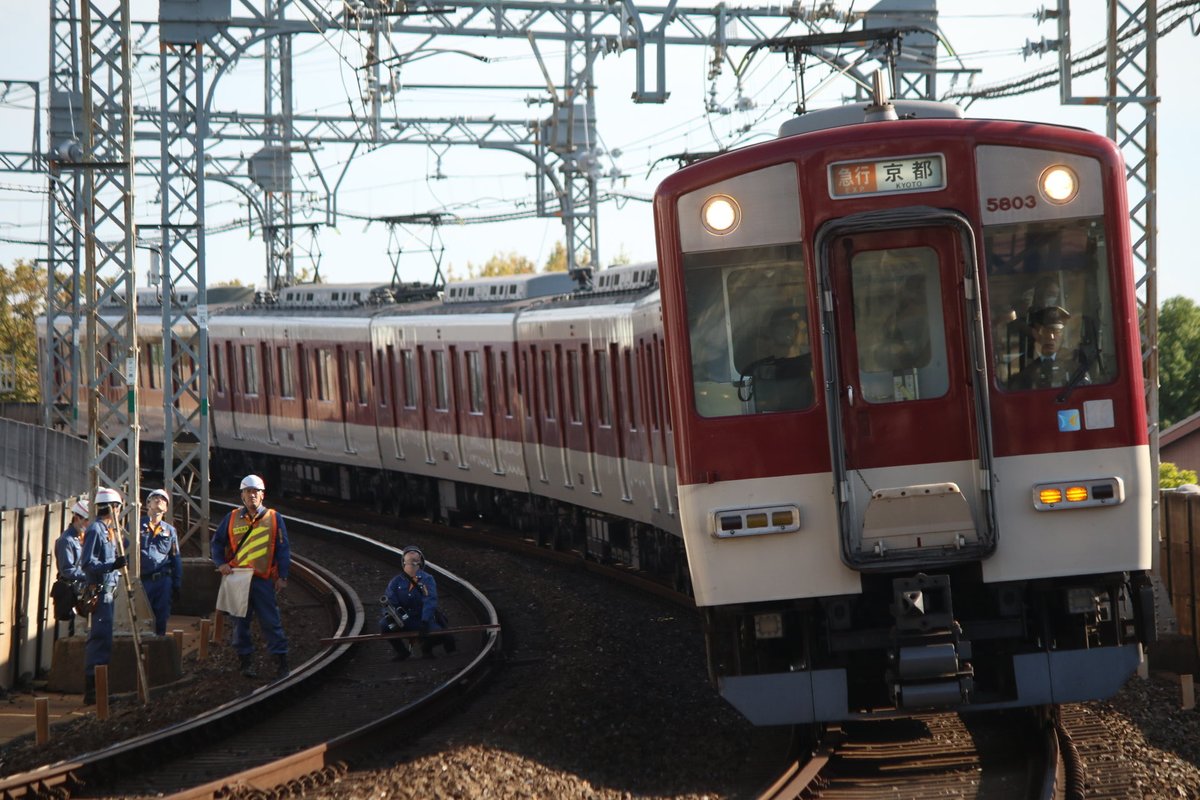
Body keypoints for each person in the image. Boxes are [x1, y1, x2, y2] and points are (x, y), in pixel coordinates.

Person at [211, 474, 290, 680]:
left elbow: (283, 549)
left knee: (271, 621)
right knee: (240, 624)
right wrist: (221, 563)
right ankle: (246, 662)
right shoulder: (231, 518)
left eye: (256, 492)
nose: (252, 495)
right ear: (242, 496)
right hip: (238, 579)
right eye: (248, 492)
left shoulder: (274, 518)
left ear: (262, 495)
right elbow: (217, 543)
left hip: (262, 580)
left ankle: (281, 661)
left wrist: (282, 576)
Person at [80, 487, 128, 705]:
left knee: (105, 640)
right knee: (99, 640)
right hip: (100, 593)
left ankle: (100, 689)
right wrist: (112, 565)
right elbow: (88, 563)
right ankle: (93, 691)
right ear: (114, 508)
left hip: (108, 592)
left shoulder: (108, 531)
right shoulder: (95, 530)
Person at [379, 545, 455, 660]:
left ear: (420, 562)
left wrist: (425, 620)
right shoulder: (395, 582)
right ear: (404, 562)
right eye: (409, 561)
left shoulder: (427, 579)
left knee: (438, 634)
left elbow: (430, 600)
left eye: (415, 561)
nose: (412, 564)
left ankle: (426, 649)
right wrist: (391, 616)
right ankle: (402, 652)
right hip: (403, 619)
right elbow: (389, 601)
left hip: (421, 619)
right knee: (384, 625)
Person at [1008, 306, 1090, 391]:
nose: (1051, 337)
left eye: (1057, 331)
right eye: (1046, 331)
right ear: (1035, 333)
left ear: (1062, 335)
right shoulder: (1021, 365)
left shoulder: (1075, 362)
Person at [139, 488, 182, 636]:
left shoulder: (170, 531)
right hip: (141, 581)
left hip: (162, 581)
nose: (159, 500)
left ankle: (159, 648)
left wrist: (176, 583)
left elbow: (175, 557)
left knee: (161, 618)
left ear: (166, 508)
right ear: (147, 504)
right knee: (140, 617)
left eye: (163, 499)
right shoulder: (136, 526)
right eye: (155, 497)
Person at [52, 498, 90, 632]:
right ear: (77, 518)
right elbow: (67, 570)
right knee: (76, 629)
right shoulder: (66, 541)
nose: (88, 523)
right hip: (73, 592)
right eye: (86, 519)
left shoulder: (85, 537)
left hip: (84, 591)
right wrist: (89, 575)